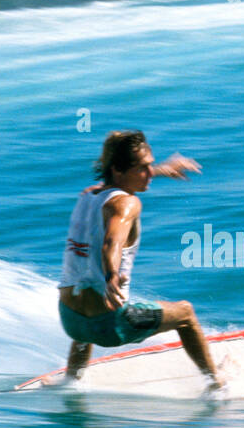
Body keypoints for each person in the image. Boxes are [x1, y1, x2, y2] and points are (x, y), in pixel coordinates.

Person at [55, 129, 223, 390]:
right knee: (186, 313)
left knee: (86, 283)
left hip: (72, 321)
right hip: (110, 325)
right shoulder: (127, 204)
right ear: (119, 170)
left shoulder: (88, 195)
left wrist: (163, 169)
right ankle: (216, 384)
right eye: (143, 168)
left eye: (150, 165)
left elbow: (115, 182)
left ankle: (70, 380)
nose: (149, 172)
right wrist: (111, 275)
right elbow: (113, 240)